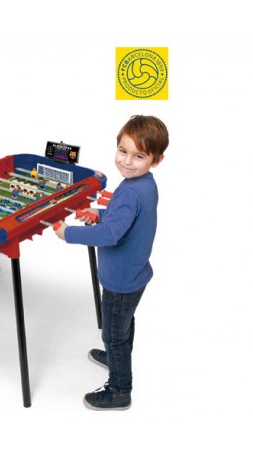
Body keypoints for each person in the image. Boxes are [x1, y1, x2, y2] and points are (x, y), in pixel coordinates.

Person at [55, 115, 169, 410]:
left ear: (156, 160)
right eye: (123, 151)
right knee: (124, 323)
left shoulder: (131, 190)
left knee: (113, 333)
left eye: (139, 156)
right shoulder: (143, 184)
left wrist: (68, 233)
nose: (127, 161)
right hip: (134, 274)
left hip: (120, 280)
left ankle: (120, 389)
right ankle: (117, 355)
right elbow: (122, 218)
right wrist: (99, 212)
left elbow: (109, 235)